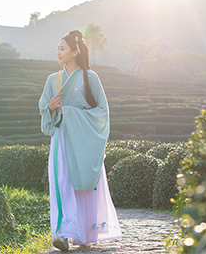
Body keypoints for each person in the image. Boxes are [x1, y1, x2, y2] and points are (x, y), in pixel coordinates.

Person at [38, 30, 122, 251]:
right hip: (62, 140)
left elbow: (102, 111)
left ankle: (85, 232)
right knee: (63, 182)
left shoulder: (90, 78)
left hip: (83, 141)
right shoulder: (52, 80)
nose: (58, 52)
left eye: (62, 48)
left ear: (75, 52)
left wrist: (72, 113)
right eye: (57, 48)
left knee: (83, 183)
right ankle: (64, 234)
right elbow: (44, 110)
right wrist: (51, 108)